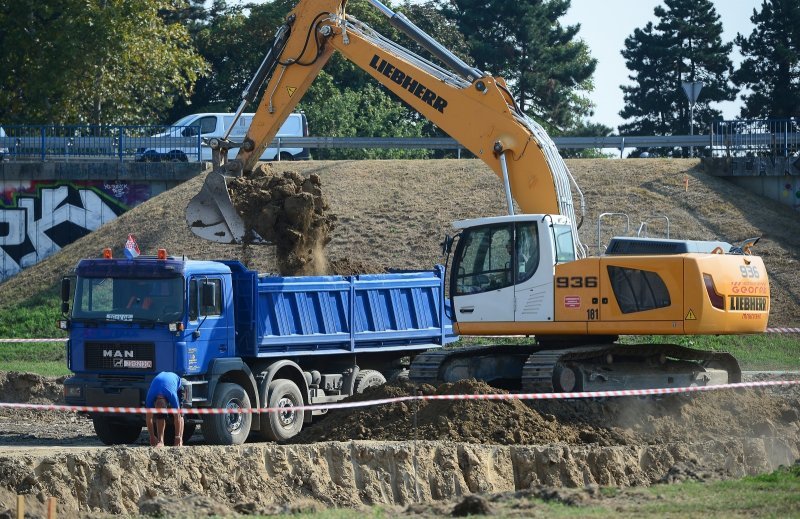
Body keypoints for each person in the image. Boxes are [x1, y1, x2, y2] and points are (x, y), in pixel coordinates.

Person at [145, 372, 187, 447]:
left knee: (180, 415)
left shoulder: (172, 395)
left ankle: (180, 439)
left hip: (177, 385)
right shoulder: (150, 397)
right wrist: (151, 436)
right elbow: (148, 419)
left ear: (167, 405)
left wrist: (177, 437)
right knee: (160, 417)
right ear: (154, 404)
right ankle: (160, 441)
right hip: (162, 383)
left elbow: (177, 417)